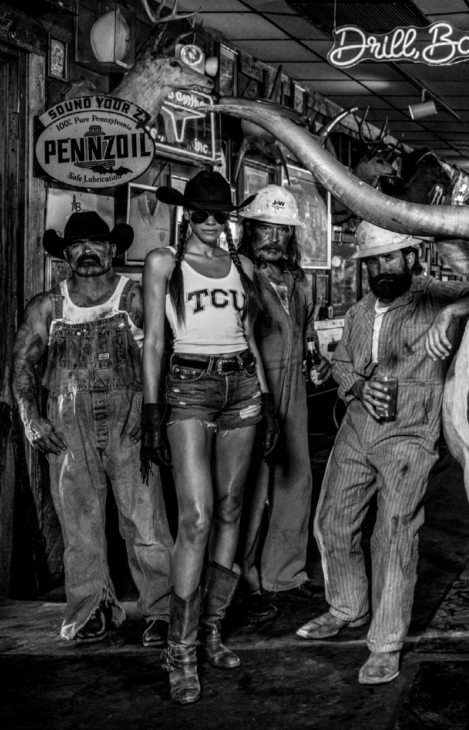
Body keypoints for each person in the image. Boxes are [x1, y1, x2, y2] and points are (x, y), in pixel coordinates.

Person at [298, 222, 469, 686]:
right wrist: (358, 386)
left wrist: (449, 314)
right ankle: (347, 606)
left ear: (410, 257)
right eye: (373, 261)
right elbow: (342, 364)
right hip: (358, 425)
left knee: (393, 533)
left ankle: (385, 643)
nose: (381, 268)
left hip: (410, 433)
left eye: (389, 258)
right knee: (333, 519)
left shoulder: (434, 295)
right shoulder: (360, 312)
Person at [5, 212, 172, 646]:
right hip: (68, 426)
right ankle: (91, 610)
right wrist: (30, 418)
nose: (87, 252)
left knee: (146, 524)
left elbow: (165, 354)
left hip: (129, 422)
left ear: (112, 249)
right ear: (66, 254)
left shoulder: (134, 296)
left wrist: (153, 414)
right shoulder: (47, 306)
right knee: (79, 527)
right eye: (77, 245)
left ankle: (162, 610)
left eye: (96, 243)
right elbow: (23, 364)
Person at [141, 171, 276, 704]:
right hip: (189, 387)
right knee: (195, 516)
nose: (212, 224)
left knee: (230, 507)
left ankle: (212, 629)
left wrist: (267, 399)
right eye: (202, 215)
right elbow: (155, 341)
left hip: (242, 386)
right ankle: (180, 649)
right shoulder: (163, 264)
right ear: (186, 215)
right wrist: (153, 409)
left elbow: (249, 337)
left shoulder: (244, 268)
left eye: (221, 215)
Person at [234, 185, 330, 624]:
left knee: (295, 481)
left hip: (294, 385)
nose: (273, 238)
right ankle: (242, 581)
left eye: (282, 230)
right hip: (253, 388)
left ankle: (284, 575)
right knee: (251, 488)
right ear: (249, 230)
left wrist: (318, 360)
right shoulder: (238, 275)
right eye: (265, 228)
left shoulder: (298, 281)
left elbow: (307, 335)